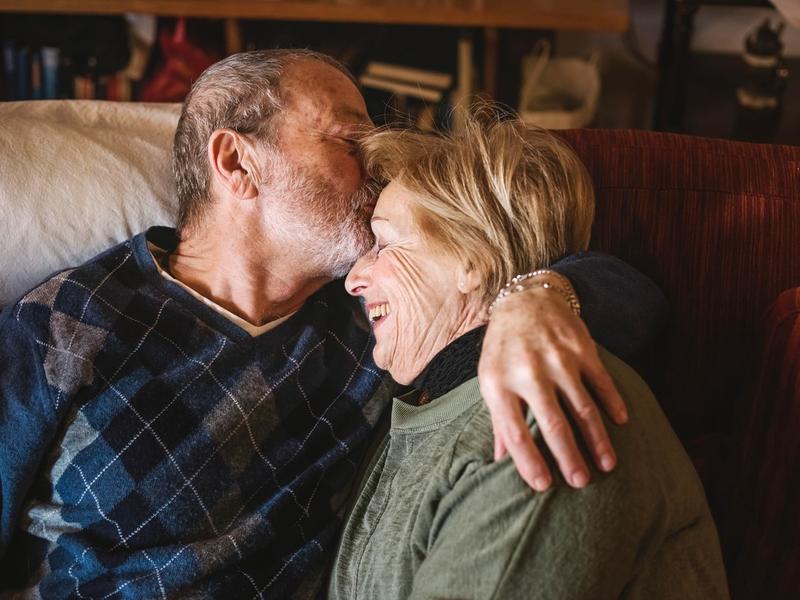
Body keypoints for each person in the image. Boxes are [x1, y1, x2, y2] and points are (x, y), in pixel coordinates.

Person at [0, 50, 665, 598]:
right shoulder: (66, 323)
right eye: (350, 139)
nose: (373, 167)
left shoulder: (375, 322)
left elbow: (633, 298)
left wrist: (540, 297)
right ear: (237, 163)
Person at [330, 113, 729, 599]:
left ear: (473, 260)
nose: (353, 278)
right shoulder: (424, 400)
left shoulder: (540, 414)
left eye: (384, 243)